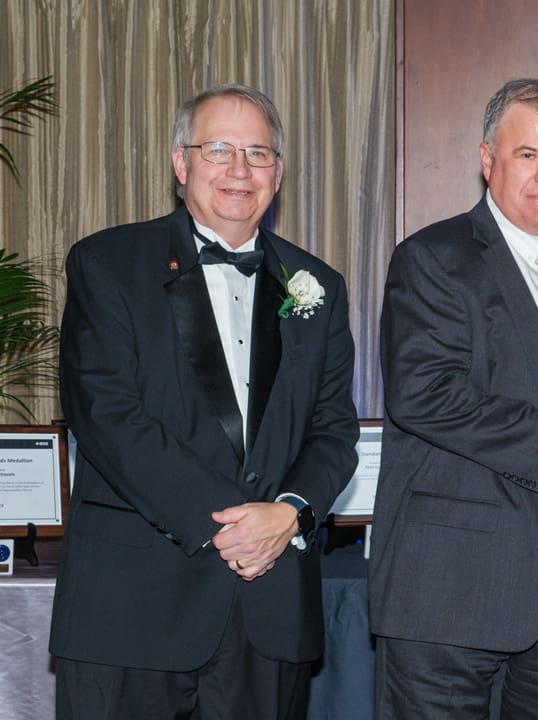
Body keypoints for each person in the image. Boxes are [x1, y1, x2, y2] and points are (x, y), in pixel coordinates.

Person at [52, 84, 360, 719]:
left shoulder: (319, 285)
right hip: (134, 611)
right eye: (218, 149)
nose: (239, 170)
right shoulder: (108, 263)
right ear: (180, 163)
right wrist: (233, 526)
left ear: (278, 173)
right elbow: (106, 415)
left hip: (269, 611)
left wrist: (290, 514)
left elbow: (334, 430)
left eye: (258, 153)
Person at [369, 78, 538, 719]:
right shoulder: (433, 257)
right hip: (451, 584)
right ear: (488, 160)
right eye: (527, 155)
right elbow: (425, 396)